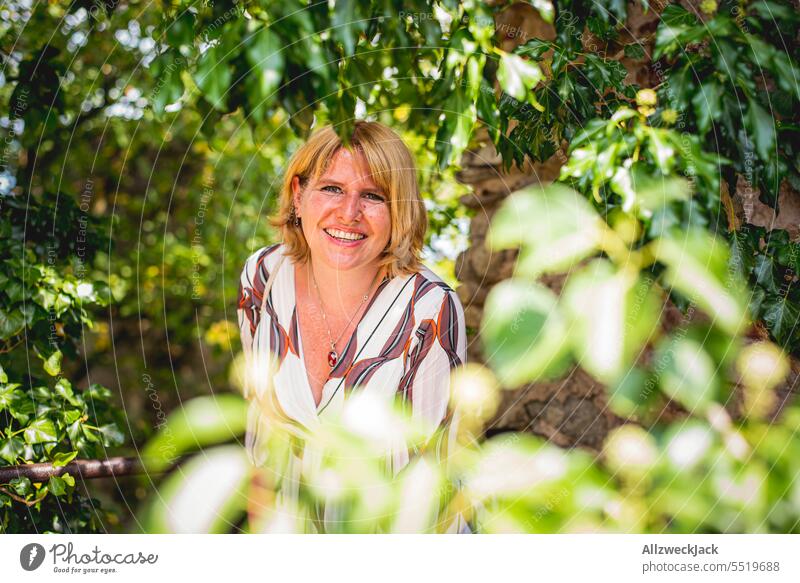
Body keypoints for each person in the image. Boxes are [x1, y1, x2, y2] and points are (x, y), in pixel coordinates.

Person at [237, 121, 467, 531]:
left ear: (399, 213)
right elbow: (262, 440)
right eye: (331, 188)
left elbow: (429, 488)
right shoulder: (262, 277)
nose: (349, 212)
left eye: (374, 196)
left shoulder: (428, 310)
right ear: (297, 196)